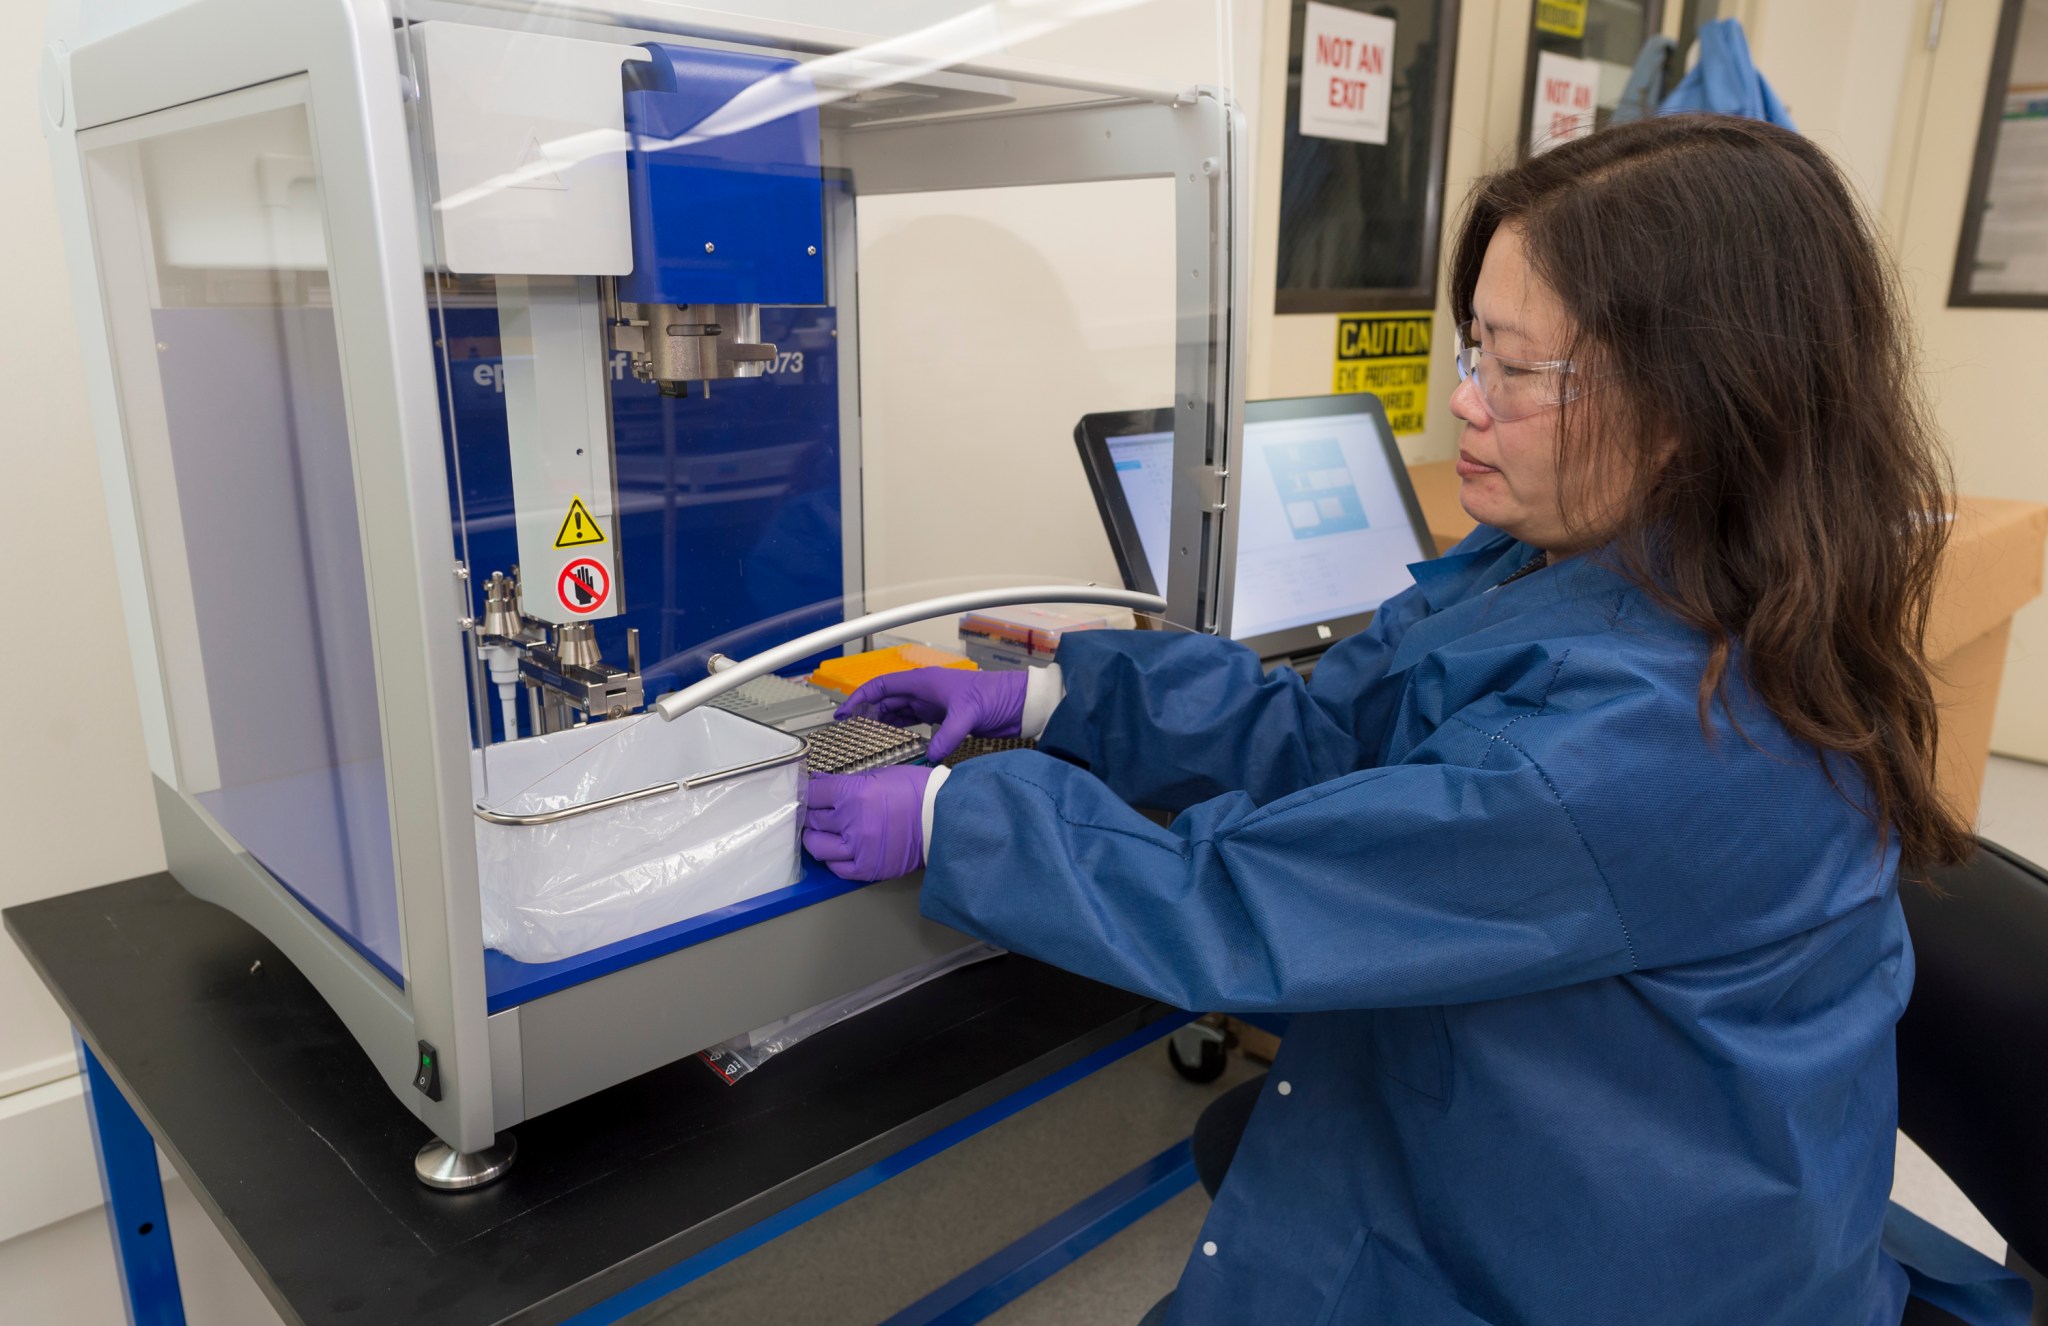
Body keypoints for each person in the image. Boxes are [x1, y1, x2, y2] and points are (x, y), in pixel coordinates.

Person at [801, 115, 1972, 1324]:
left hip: (1593, 1265)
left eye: (1513, 369)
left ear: (1691, 404)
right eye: (1471, 348)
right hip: (1523, 1141)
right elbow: (1336, 737)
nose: (1462, 402)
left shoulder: (1662, 739)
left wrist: (959, 816)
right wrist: (1059, 698)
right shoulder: (1577, 560)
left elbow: (1245, 904)